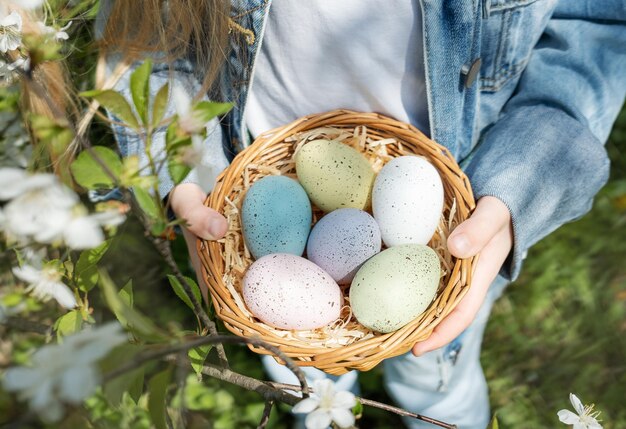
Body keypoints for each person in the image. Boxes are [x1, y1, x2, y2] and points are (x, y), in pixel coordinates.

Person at [96, 1, 626, 428]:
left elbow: (594, 28)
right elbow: (145, 34)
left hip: (462, 209)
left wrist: (519, 188)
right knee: (298, 361)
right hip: (256, 174)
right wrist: (187, 177)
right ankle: (321, 403)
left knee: (436, 371)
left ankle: (434, 410)